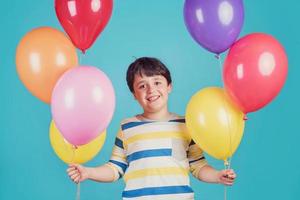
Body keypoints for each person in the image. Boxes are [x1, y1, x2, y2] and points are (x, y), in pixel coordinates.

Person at [67, 57, 236, 199]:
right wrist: (88, 172)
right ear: (134, 94)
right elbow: (115, 168)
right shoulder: (127, 127)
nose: (151, 90)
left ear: (169, 86)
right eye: (142, 86)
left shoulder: (186, 124)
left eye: (157, 82)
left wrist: (217, 176)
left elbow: (198, 166)